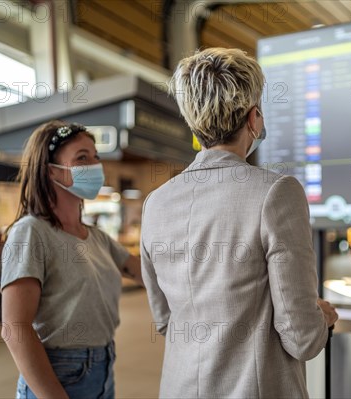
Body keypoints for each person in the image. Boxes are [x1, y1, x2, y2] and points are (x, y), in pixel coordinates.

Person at [140, 48, 338, 398]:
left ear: (194, 122)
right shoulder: (276, 193)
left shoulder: (155, 203)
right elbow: (301, 337)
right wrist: (322, 316)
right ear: (254, 118)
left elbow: (166, 320)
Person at [0, 120, 144, 399]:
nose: (94, 166)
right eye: (82, 158)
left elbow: (148, 273)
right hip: (58, 374)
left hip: (103, 369)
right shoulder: (31, 232)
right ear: (51, 171)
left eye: (96, 157)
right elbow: (14, 328)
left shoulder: (96, 238)